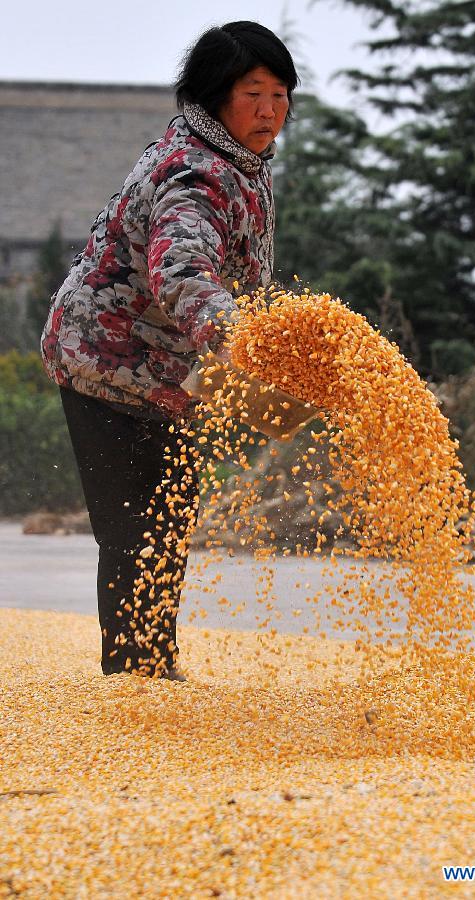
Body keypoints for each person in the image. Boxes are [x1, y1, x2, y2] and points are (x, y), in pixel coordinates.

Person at [41, 21, 299, 679]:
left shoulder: (241, 161)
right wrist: (246, 348)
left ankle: (153, 663)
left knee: (167, 520)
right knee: (135, 529)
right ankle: (136, 676)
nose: (269, 109)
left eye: (279, 93)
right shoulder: (196, 171)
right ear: (215, 96)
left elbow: (234, 268)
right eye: (252, 93)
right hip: (104, 360)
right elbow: (182, 272)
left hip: (165, 371)